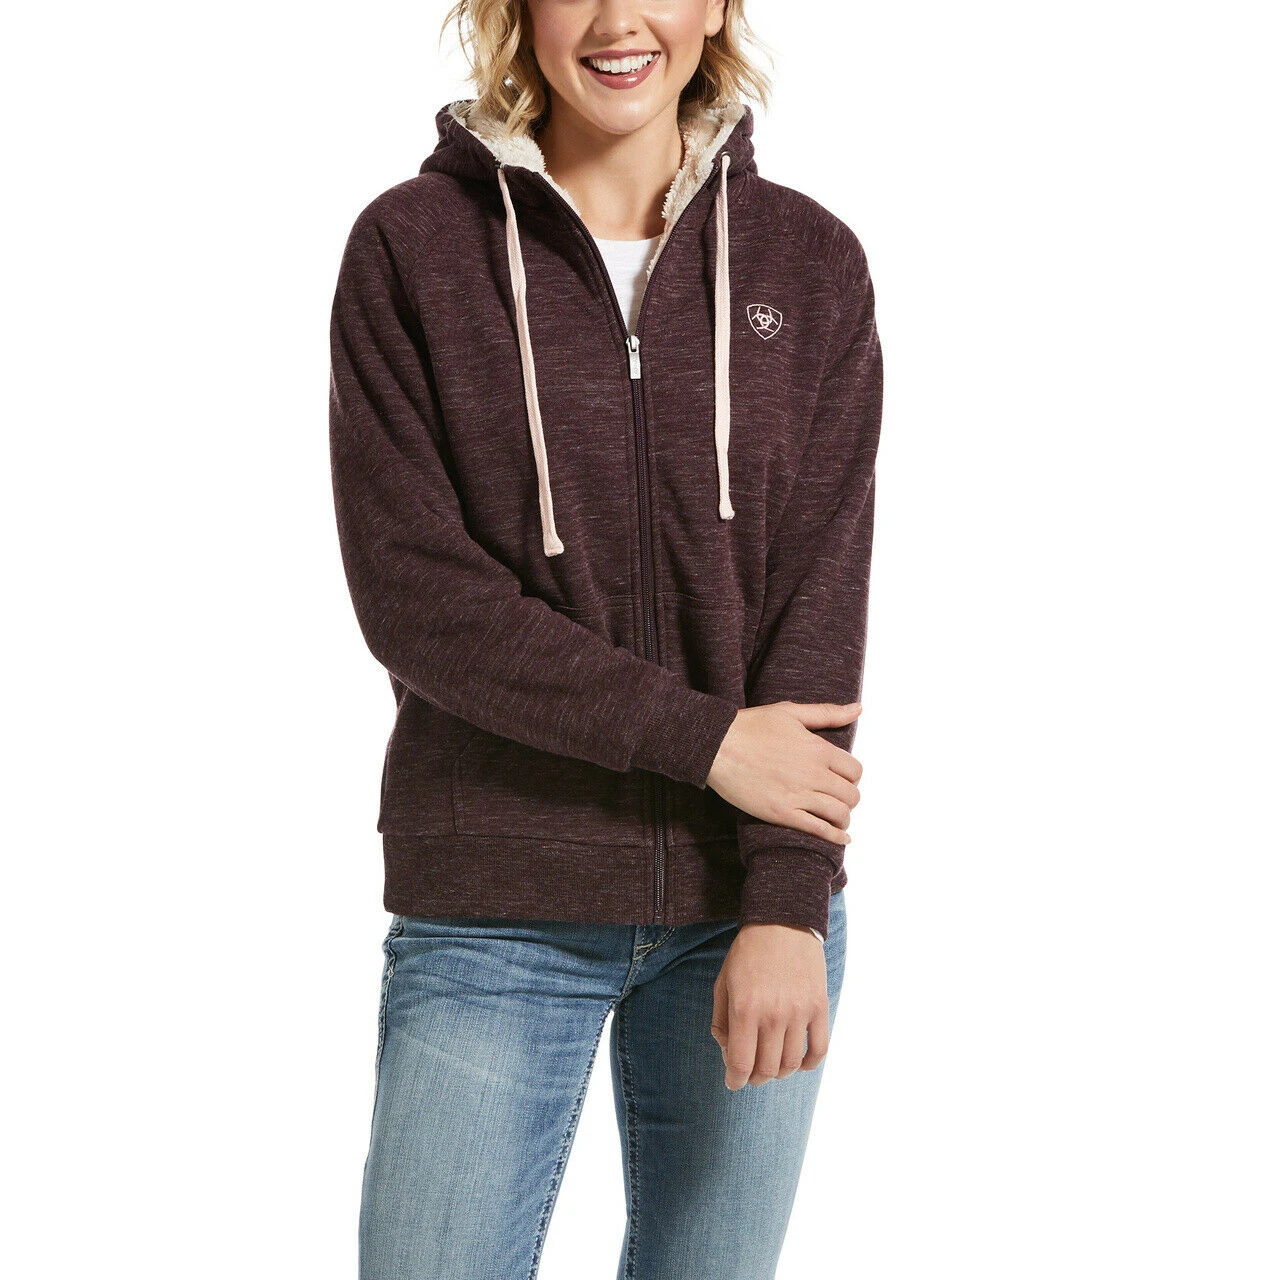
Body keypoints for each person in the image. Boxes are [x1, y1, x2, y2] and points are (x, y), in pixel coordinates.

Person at [328, 1, 883, 1275]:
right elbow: (416, 598)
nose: (618, 20)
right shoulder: (413, 248)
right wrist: (707, 743)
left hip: (743, 905)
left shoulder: (808, 262)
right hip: (494, 908)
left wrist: (787, 904)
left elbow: (819, 597)